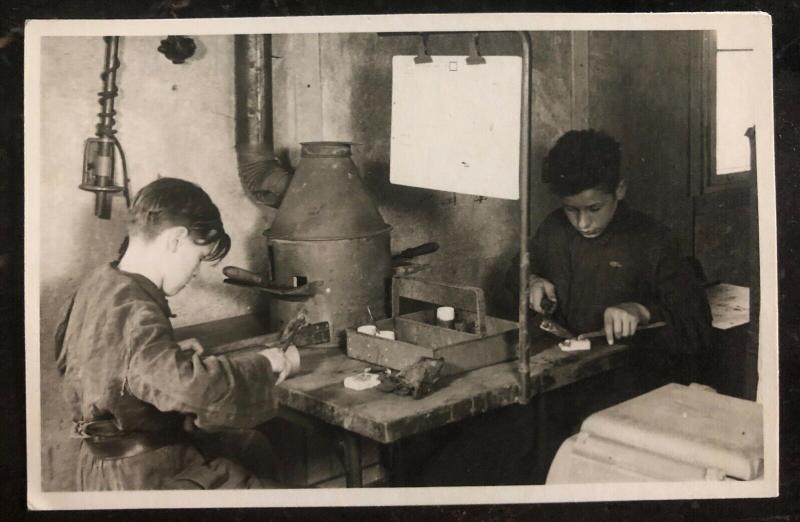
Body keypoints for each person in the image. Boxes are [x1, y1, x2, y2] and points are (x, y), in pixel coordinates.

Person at [54, 177, 300, 490]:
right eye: (198, 258)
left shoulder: (99, 282)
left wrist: (165, 354)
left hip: (97, 467)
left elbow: (80, 361)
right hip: (143, 475)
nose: (196, 272)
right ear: (176, 240)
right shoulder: (137, 308)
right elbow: (192, 389)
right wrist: (266, 365)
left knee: (251, 445)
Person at [506, 129, 714, 386]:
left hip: (625, 385)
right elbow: (515, 271)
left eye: (594, 208)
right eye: (571, 209)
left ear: (620, 189)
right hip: (562, 380)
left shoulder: (653, 240)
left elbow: (697, 327)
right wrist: (532, 281)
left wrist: (641, 312)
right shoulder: (554, 228)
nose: (583, 223)